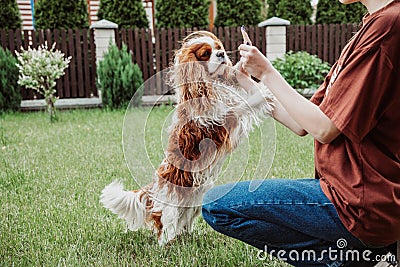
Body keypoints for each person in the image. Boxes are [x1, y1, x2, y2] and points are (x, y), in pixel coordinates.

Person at [201, 0, 400, 266]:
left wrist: (268, 72)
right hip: (350, 195)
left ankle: (359, 259)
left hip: (359, 206)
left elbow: (323, 129)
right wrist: (250, 85)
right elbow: (303, 123)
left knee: (218, 205)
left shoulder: (388, 26)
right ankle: (366, 257)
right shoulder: (373, 26)